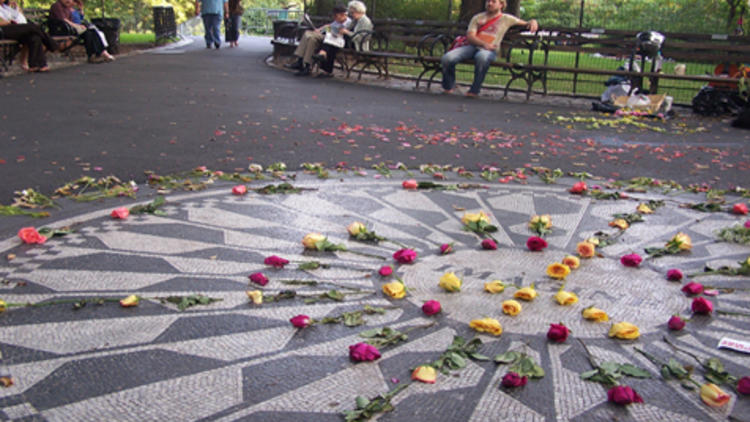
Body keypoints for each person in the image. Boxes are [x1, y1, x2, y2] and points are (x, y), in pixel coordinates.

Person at [441, 0, 538, 97]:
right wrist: (483, 44)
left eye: (493, 1)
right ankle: (448, 87)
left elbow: (525, 23)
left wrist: (533, 21)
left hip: (490, 50)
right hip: (472, 46)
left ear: (501, 4)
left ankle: (474, 90)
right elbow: (470, 36)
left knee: (482, 57)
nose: (489, 3)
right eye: (488, 1)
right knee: (447, 58)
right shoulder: (478, 18)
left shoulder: (507, 19)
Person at [285, 5, 350, 76]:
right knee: (308, 34)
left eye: (336, 16)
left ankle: (305, 65)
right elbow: (329, 27)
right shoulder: (337, 21)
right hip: (327, 36)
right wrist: (320, 29)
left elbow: (340, 32)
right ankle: (301, 61)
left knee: (312, 37)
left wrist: (328, 30)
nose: (335, 18)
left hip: (333, 39)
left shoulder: (347, 22)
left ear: (343, 15)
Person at [312, 0, 372, 76]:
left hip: (357, 44)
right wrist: (325, 29)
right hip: (349, 41)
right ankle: (326, 67)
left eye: (353, 12)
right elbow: (340, 28)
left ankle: (324, 59)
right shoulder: (356, 20)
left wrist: (346, 32)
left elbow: (361, 37)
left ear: (359, 11)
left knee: (331, 42)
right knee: (331, 43)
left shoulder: (364, 21)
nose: (351, 14)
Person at [49, 0, 114, 63]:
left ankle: (99, 53)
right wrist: (77, 26)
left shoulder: (67, 7)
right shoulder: (57, 6)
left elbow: (73, 19)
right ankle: (93, 55)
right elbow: (64, 20)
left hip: (68, 29)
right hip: (60, 31)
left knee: (91, 32)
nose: (68, 1)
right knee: (87, 33)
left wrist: (79, 25)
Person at [0, 0, 57, 72]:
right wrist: (8, 22)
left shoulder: (6, 7)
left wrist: (16, 8)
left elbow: (20, 17)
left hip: (15, 28)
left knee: (34, 37)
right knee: (33, 27)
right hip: (3, 30)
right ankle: (53, 45)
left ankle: (36, 65)